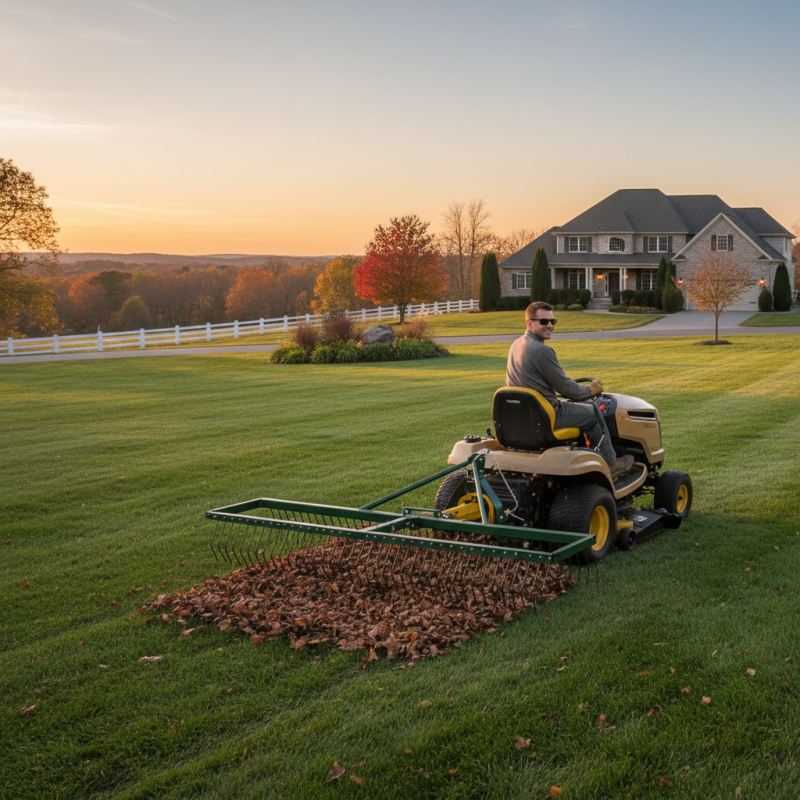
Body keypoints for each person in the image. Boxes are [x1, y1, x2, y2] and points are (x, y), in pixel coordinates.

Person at [506, 301, 634, 479]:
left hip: (524, 414)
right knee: (593, 412)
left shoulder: (517, 345)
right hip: (546, 414)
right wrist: (591, 390)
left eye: (553, 321)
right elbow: (569, 390)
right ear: (529, 323)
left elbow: (550, 383)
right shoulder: (542, 351)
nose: (550, 325)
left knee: (579, 408)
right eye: (544, 321)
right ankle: (611, 464)